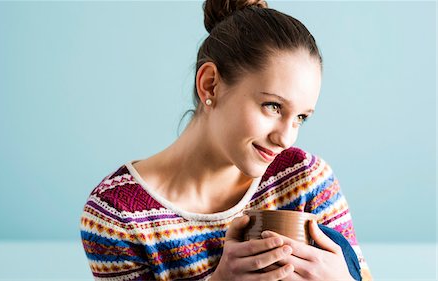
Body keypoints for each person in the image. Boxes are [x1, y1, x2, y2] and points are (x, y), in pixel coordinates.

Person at [80, 0, 372, 280]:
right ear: (211, 84)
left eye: (301, 117)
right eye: (273, 106)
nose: (286, 137)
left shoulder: (305, 180)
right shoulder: (118, 216)